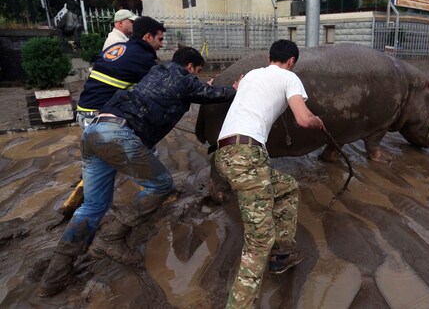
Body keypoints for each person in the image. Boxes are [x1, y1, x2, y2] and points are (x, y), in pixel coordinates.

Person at [37, 47, 239, 297]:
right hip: (118, 136)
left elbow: (195, 91)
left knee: (92, 207)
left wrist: (200, 87)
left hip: (95, 132)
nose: (195, 77)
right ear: (190, 67)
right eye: (196, 72)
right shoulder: (183, 78)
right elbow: (216, 93)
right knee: (161, 185)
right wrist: (235, 88)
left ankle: (53, 277)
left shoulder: (157, 71)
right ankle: (111, 237)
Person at [214, 39, 324, 308]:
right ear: (292, 62)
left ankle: (283, 254)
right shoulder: (289, 78)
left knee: (287, 186)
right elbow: (302, 118)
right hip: (247, 156)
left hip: (224, 154)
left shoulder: (252, 74)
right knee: (259, 241)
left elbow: (240, 92)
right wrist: (317, 121)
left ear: (269, 57)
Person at [58, 17, 167, 219]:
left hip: (84, 113)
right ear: (148, 36)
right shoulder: (143, 58)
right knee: (147, 152)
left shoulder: (118, 48)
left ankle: (79, 198)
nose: (161, 44)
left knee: (103, 158)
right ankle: (155, 193)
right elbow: (160, 88)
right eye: (160, 39)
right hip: (101, 117)